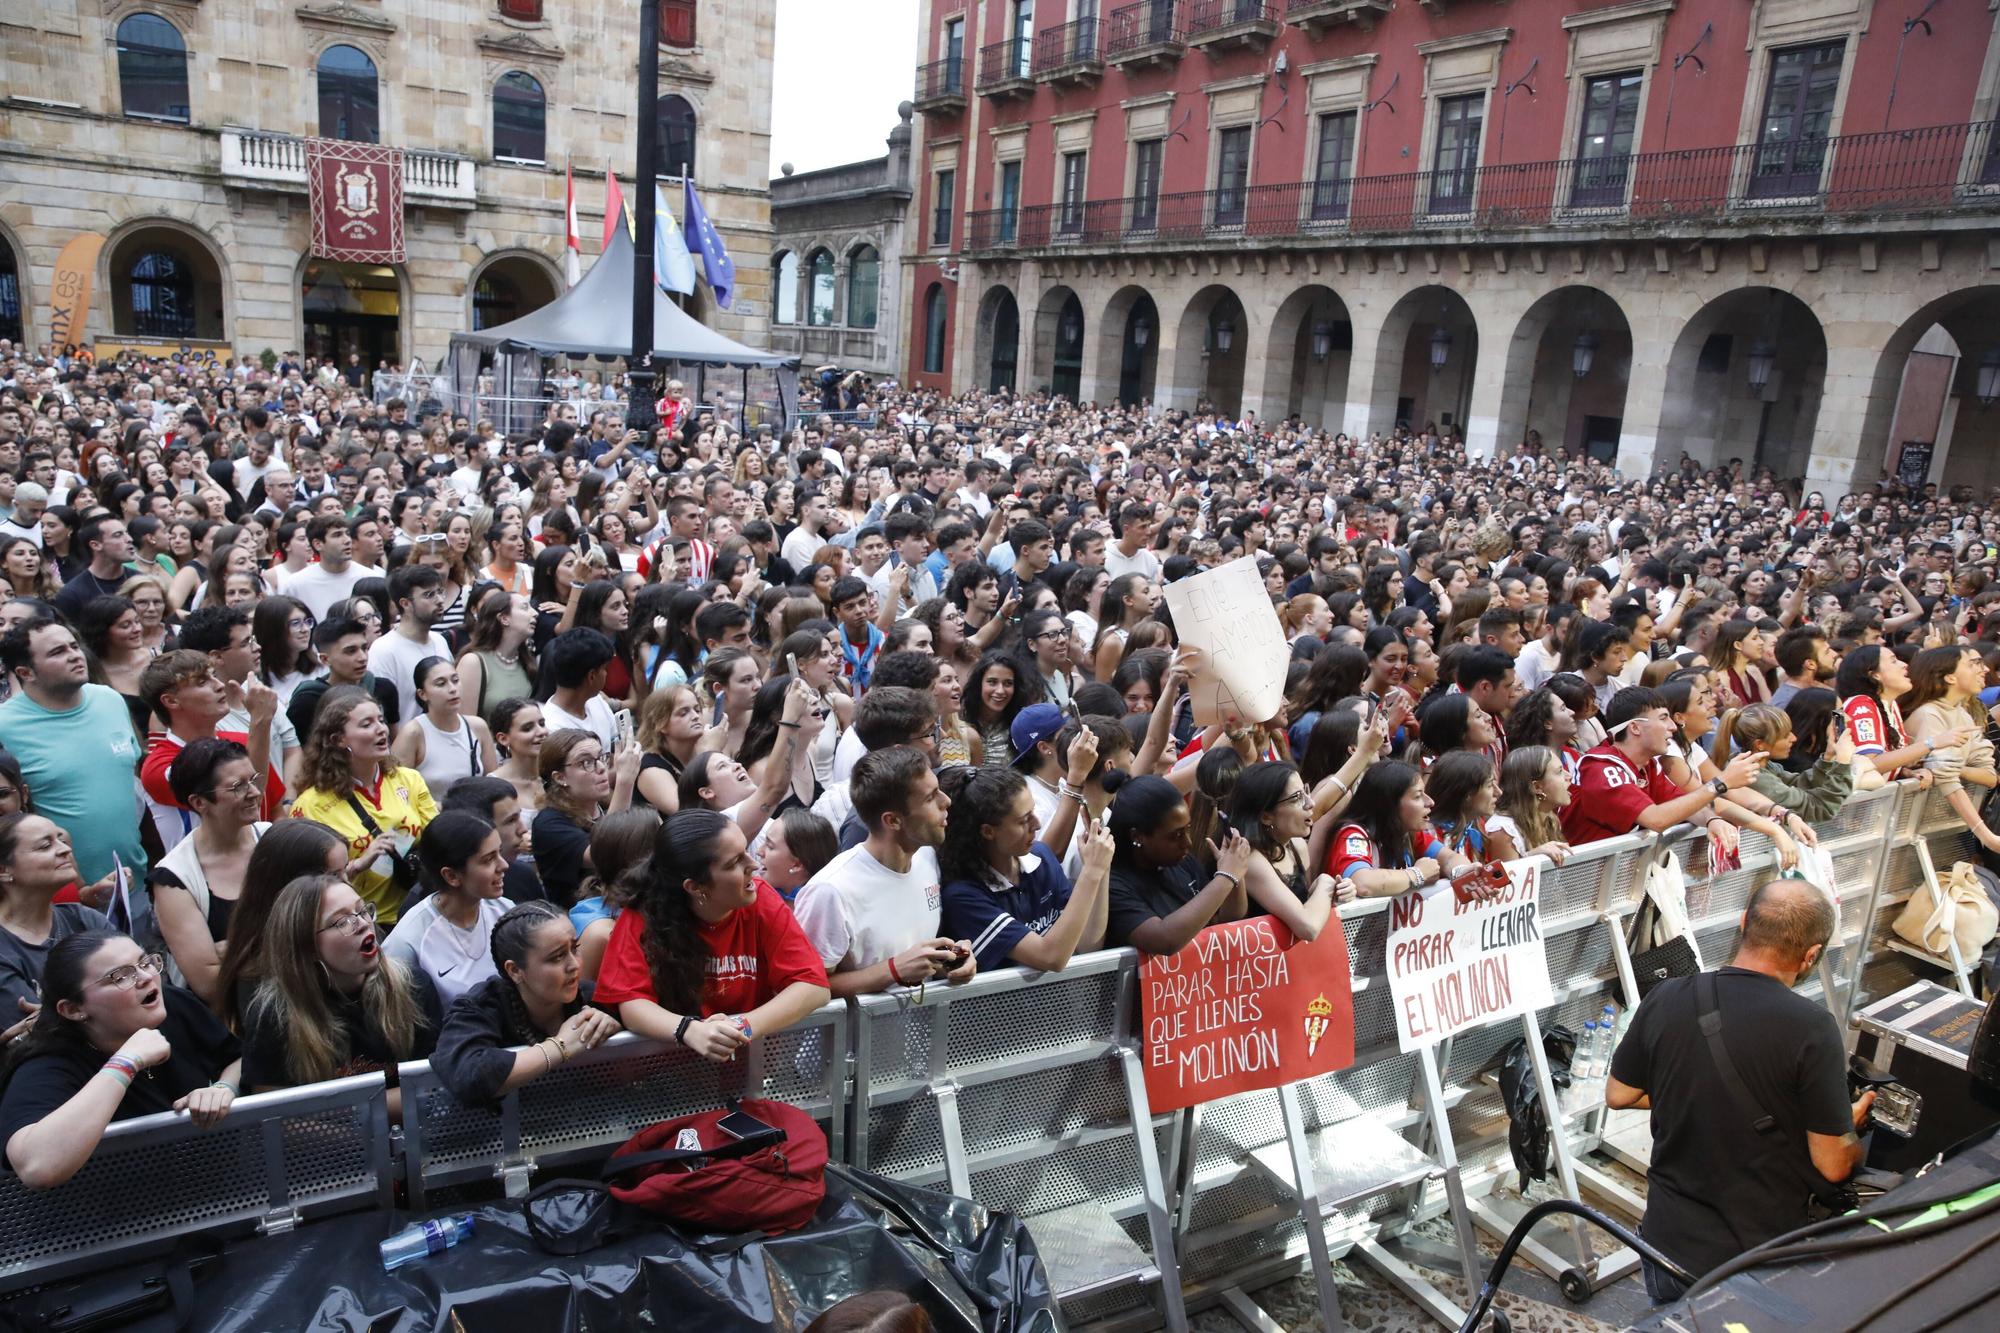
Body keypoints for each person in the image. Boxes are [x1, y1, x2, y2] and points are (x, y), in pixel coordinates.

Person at [1607, 879, 1874, 1301]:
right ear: (1810, 956)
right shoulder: (1812, 1028)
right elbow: (1833, 1166)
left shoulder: (1667, 995)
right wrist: (1850, 1126)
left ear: (1744, 921)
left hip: (1664, 1249)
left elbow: (1618, 1094)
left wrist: (1695, 1092)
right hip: (1750, 1262)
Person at [0, 931, 241, 1190]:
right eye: (121, 976)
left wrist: (223, 1088)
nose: (148, 977)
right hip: (108, 1222)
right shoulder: (47, 1065)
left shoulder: (172, 1003)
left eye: (145, 962)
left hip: (213, 1199)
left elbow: (237, 1057)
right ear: (73, 1009)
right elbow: (37, 1168)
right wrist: (125, 1062)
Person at [592, 809, 831, 1060]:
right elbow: (631, 1004)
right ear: (695, 887)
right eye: (734, 862)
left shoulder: (761, 898)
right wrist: (690, 1030)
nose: (754, 865)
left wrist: (739, 1027)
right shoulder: (642, 915)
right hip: (666, 1080)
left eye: (746, 851)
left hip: (747, 1078)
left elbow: (813, 986)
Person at [793, 747, 973, 997]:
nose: (947, 801)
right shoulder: (830, 891)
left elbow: (911, 958)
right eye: (931, 798)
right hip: (852, 1036)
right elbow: (806, 987)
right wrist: (893, 970)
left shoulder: (925, 857)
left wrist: (948, 959)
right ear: (893, 821)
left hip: (914, 1032)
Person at [239, 873, 443, 1093]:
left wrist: (340, 1110)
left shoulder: (413, 985)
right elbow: (274, 1111)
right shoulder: (274, 1013)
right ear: (307, 946)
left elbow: (430, 1087)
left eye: (363, 910)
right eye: (342, 922)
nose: (364, 924)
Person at [430, 900, 622, 1105]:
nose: (574, 965)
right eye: (557, 957)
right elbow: (468, 1076)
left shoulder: (592, 997)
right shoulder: (478, 1007)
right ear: (514, 971)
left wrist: (615, 1027)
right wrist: (559, 1047)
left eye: (574, 948)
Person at [0, 621, 145, 887]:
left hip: (132, 880)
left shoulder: (109, 699)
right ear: (26, 672)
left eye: (74, 646)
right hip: (53, 896)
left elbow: (134, 786)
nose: (75, 655)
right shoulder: (4, 727)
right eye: (57, 652)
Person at [937, 765, 1115, 974]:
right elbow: (1051, 957)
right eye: (1024, 820)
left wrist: (1102, 867)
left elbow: (1088, 945)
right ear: (988, 831)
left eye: (1034, 813)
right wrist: (1091, 873)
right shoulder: (964, 897)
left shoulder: (1041, 857)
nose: (1037, 825)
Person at [288, 688, 439, 925]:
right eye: (367, 724)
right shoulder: (310, 806)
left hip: (418, 912)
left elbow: (438, 839)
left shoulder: (409, 779)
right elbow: (307, 888)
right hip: (359, 922)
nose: (381, 729)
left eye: (381, 719)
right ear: (338, 740)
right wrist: (358, 864)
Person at [147, 738, 268, 1007]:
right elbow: (210, 985)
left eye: (253, 779)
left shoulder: (275, 839)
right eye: (238, 787)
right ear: (199, 802)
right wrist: (286, 938)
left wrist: (231, 949)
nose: (255, 792)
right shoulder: (174, 878)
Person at [1105, 774, 1253, 953]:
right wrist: (1225, 877)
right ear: (1138, 836)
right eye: (1176, 835)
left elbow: (1229, 919)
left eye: (1187, 829)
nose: (1188, 843)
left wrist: (1235, 873)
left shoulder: (1182, 861)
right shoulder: (1113, 883)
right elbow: (1164, 941)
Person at [380, 811, 514, 1005]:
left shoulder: (505, 910)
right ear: (451, 876)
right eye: (488, 860)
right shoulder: (406, 943)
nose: (503, 865)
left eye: (499, 853)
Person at [0, 813, 113, 1029]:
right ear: (3, 870)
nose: (65, 849)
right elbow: (38, 1037)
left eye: (60, 839)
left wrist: (56, 1016)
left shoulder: (85, 918)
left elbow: (140, 985)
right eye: (45, 846)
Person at [531, 727, 642, 907]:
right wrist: (625, 781)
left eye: (601, 758)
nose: (600, 768)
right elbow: (602, 854)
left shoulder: (607, 804)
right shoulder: (548, 822)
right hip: (580, 919)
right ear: (560, 777)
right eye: (586, 762)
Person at [1711, 703, 1856, 824]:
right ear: (1760, 744)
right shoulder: (1754, 777)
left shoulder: (1760, 764)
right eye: (1785, 735)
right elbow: (1819, 809)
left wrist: (1828, 756)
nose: (1794, 738)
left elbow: (1800, 784)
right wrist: (1843, 763)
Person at [390, 656, 499, 798]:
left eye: (455, 680)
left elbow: (493, 784)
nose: (452, 689)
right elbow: (398, 792)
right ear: (422, 694)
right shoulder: (413, 733)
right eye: (441, 684)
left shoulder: (478, 727)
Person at [368, 565, 453, 725]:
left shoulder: (439, 641)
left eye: (440, 592)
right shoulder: (384, 650)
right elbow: (381, 712)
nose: (440, 601)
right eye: (429, 595)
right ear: (405, 603)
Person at [1486, 746, 1574, 866]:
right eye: (1559, 772)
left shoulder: (1551, 819)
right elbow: (1507, 883)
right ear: (1536, 787)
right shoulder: (1503, 831)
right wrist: (1532, 858)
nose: (1569, 776)